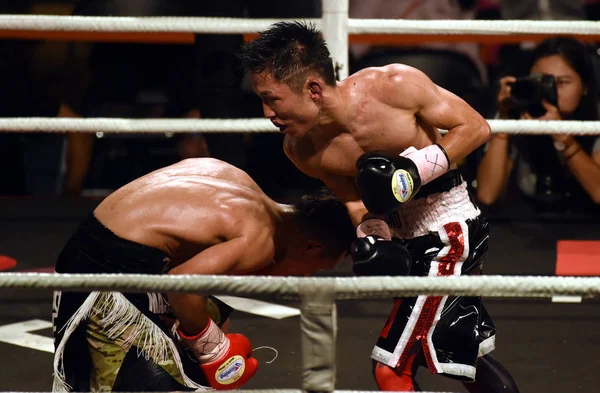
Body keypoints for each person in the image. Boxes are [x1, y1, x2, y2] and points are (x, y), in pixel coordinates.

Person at [239, 21, 519, 392]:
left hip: (449, 226)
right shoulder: (301, 149)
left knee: (391, 368)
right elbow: (356, 199)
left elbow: (475, 128)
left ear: (313, 88)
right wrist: (374, 234)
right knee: (458, 355)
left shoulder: (394, 86)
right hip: (408, 239)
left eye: (272, 98)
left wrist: (415, 171)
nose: (266, 112)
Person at [51, 157, 355, 392]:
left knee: (212, 314)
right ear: (312, 247)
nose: (301, 278)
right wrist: (213, 348)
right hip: (107, 277)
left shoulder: (236, 179)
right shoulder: (260, 240)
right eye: (313, 269)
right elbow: (182, 286)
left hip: (105, 250)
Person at [477, 36, 600, 212]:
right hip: (527, 226)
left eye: (562, 82)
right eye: (541, 81)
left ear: (585, 86)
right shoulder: (516, 112)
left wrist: (563, 137)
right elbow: (487, 195)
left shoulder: (596, 117)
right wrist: (504, 118)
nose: (550, 90)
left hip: (587, 225)